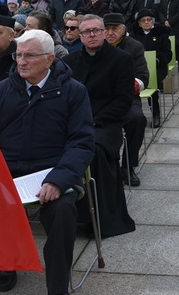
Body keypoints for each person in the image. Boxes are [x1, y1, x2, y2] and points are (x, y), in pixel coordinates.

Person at [0, 30, 95, 294]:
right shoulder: (0, 91)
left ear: (49, 59)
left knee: (63, 212)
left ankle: (57, 286)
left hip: (53, 171)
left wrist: (58, 180)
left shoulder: (73, 92)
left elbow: (81, 142)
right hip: (9, 170)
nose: (21, 61)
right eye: (18, 54)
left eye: (29, 56)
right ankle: (7, 262)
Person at [62, 15, 135, 238]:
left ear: (104, 33)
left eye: (96, 30)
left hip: (105, 123)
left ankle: (99, 218)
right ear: (80, 36)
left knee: (94, 151)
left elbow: (122, 101)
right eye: (86, 32)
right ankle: (66, 212)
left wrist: (93, 121)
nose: (92, 35)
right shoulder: (71, 61)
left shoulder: (122, 59)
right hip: (73, 122)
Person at [103, 13, 148, 187]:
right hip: (101, 99)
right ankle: (106, 165)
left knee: (137, 119)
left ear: (124, 29)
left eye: (115, 29)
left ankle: (128, 166)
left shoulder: (134, 47)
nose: (110, 33)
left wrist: (121, 88)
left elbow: (143, 77)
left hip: (127, 97)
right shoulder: (96, 46)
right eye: (106, 29)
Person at [130, 9, 171, 128]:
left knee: (152, 83)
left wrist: (158, 60)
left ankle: (156, 114)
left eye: (149, 20)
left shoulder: (161, 34)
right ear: (139, 23)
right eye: (143, 20)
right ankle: (135, 115)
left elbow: (168, 54)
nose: (146, 22)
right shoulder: (133, 36)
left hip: (156, 67)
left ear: (153, 21)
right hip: (137, 68)